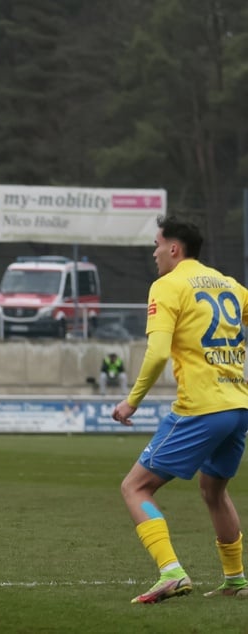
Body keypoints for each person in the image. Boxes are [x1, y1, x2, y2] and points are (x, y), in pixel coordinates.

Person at [112, 216, 248, 604]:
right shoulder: (231, 285)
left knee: (135, 487)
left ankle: (171, 572)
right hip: (238, 407)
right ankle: (236, 579)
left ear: (174, 248)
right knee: (213, 490)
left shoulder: (168, 285)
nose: (154, 253)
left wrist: (132, 400)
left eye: (157, 244)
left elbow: (156, 353)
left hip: (201, 407)